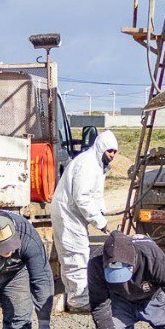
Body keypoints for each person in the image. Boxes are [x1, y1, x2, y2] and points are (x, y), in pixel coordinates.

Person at [50, 128, 119, 313]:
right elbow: (82, 197)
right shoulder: (88, 164)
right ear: (101, 148)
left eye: (115, 152)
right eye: (110, 151)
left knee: (76, 255)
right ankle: (79, 302)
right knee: (75, 255)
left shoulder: (96, 164)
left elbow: (95, 194)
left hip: (73, 214)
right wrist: (99, 221)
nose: (112, 155)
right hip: (68, 214)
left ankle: (76, 295)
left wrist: (101, 212)